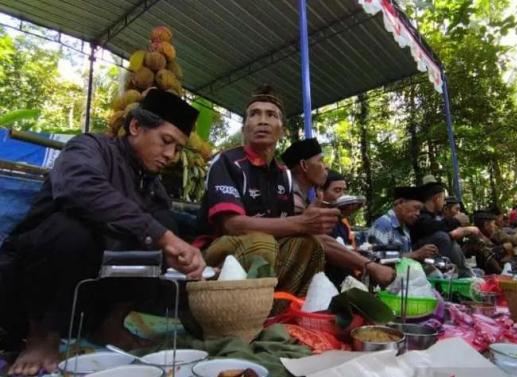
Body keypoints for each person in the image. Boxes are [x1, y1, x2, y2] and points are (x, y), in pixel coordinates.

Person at [1, 89, 206, 376]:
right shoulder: (89, 147)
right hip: (32, 285)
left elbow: (162, 232)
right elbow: (79, 188)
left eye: (178, 148)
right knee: (71, 229)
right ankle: (42, 337)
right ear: (136, 127)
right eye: (166, 141)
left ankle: (110, 324)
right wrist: (161, 236)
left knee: (165, 223)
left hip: (89, 297)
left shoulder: (152, 185)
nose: (170, 155)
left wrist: (181, 250)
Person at [195, 86, 340, 300]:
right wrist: (302, 222)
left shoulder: (284, 174)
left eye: (271, 115)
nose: (262, 120)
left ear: (282, 130)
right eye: (254, 114)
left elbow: (287, 227)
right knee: (262, 243)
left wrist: (316, 218)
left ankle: (277, 311)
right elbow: (232, 225)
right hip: (214, 253)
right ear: (244, 128)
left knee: (311, 246)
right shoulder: (226, 161)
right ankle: (236, 313)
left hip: (264, 253)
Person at [282, 139, 396, 289]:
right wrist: (370, 266)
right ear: (304, 165)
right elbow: (319, 241)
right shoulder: (292, 199)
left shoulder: (300, 197)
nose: (326, 166)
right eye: (321, 161)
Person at [409, 182, 476, 277]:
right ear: (436, 198)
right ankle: (465, 275)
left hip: (432, 258)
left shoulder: (434, 217)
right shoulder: (420, 216)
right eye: (443, 199)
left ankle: (465, 274)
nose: (444, 203)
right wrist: (456, 222)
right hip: (417, 256)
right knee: (443, 236)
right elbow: (432, 227)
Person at [367, 186, 438, 262]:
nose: (418, 213)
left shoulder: (404, 228)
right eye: (415, 208)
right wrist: (415, 254)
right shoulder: (383, 224)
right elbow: (376, 258)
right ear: (400, 203)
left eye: (420, 210)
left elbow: (407, 259)